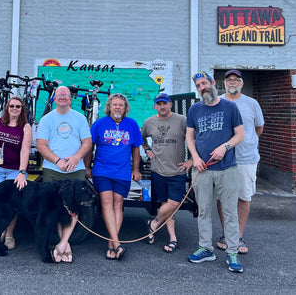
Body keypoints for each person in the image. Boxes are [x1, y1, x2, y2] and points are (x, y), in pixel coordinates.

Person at [186, 71, 245, 273]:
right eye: (198, 86)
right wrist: (194, 157)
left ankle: (232, 253)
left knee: (229, 212)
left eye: (204, 83)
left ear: (212, 82)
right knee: (203, 211)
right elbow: (190, 136)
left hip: (227, 168)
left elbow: (240, 135)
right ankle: (206, 248)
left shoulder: (230, 106)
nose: (202, 88)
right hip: (202, 169)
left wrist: (225, 147)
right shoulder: (195, 109)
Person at [36, 85, 92, 263]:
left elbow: (87, 142)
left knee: (73, 208)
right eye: (58, 95)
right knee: (57, 207)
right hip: (53, 169)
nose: (61, 98)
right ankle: (64, 245)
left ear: (71, 98)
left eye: (65, 95)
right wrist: (58, 161)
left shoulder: (80, 118)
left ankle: (63, 243)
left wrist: (76, 158)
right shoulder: (46, 119)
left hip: (76, 169)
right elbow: (41, 145)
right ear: (54, 98)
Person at [87, 93, 142, 260]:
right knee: (106, 202)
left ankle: (112, 242)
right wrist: (87, 167)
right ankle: (116, 243)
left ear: (125, 108)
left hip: (122, 172)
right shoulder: (99, 124)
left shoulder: (131, 124)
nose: (118, 107)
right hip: (102, 170)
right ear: (109, 107)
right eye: (114, 104)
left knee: (118, 204)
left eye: (121, 105)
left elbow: (136, 149)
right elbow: (89, 146)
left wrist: (136, 169)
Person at [215, 70, 264, 255]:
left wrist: (246, 143)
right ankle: (227, 235)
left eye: (236, 80)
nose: (232, 82)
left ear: (242, 84)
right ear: (224, 84)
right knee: (223, 197)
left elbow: (258, 128)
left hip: (245, 158)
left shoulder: (252, 104)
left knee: (243, 197)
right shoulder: (217, 102)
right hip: (223, 159)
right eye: (229, 80)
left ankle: (239, 235)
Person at [141, 93, 193, 253]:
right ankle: (173, 239)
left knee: (175, 204)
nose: (162, 107)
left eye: (165, 103)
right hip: (158, 169)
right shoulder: (149, 122)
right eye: (159, 104)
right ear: (154, 106)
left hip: (178, 169)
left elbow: (194, 140)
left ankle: (154, 223)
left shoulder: (182, 120)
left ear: (170, 104)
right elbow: (141, 139)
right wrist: (147, 149)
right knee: (166, 205)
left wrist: (191, 161)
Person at [0, 96, 32, 250]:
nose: (14, 109)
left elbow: (25, 150)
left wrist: (22, 172)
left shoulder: (25, 127)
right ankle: (0, 230)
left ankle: (9, 233)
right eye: (11, 106)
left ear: (22, 109)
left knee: (11, 204)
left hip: (14, 171)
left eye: (18, 106)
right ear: (7, 108)